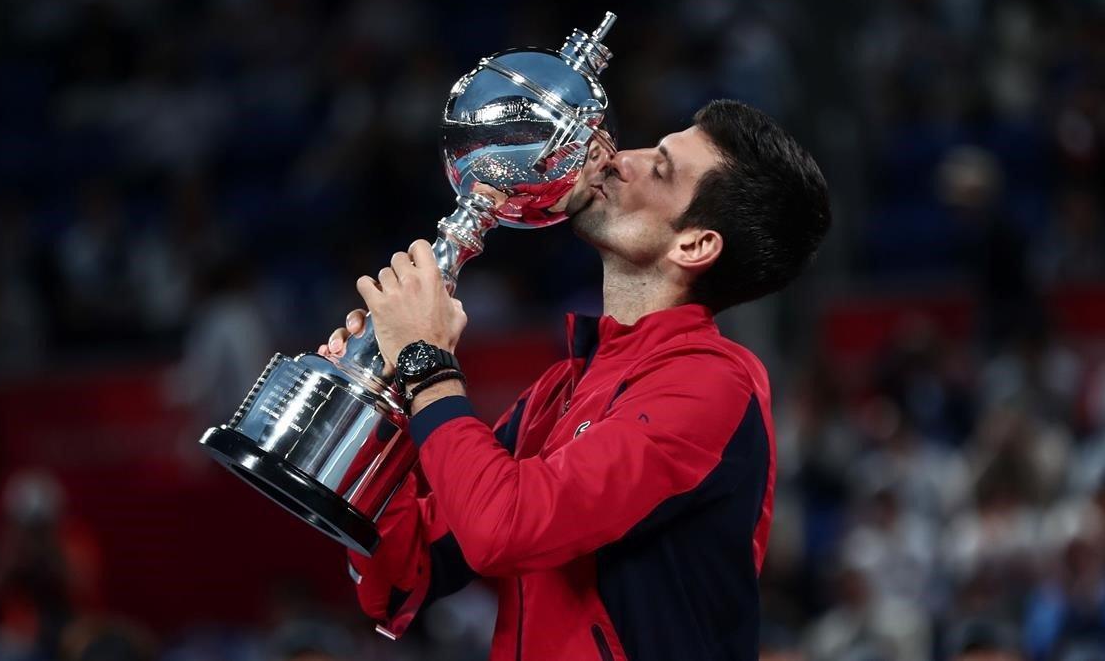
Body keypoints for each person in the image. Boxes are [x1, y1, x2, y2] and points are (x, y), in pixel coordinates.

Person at [321, 99, 830, 660]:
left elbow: (504, 529)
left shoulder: (712, 384)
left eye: (658, 168)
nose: (616, 157)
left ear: (694, 245)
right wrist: (380, 401)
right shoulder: (561, 388)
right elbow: (405, 576)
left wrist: (427, 362)